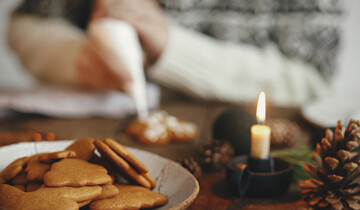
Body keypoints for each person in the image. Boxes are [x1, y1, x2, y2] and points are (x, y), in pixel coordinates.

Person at [7, 0, 340, 106]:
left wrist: (171, 46)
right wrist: (74, 58)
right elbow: (27, 22)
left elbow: (310, 78)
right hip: (100, 113)